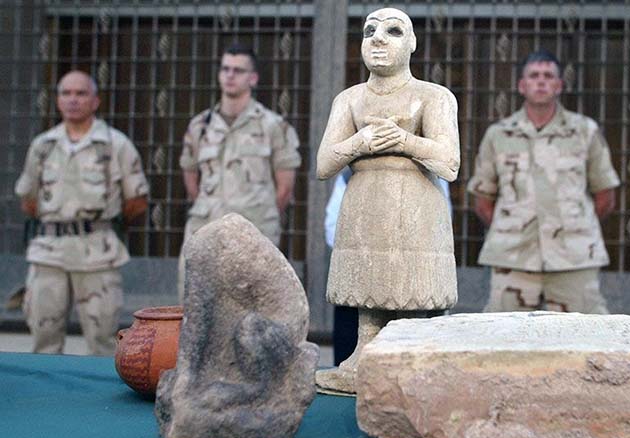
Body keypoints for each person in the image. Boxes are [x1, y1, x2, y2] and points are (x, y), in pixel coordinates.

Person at [315, 7, 460, 394]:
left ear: (412, 44)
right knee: (368, 285)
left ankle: (412, 357)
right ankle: (363, 356)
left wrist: (406, 141)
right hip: (364, 201)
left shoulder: (434, 97)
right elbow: (324, 164)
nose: (378, 38)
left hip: (415, 204)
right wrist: (359, 143)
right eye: (369, 31)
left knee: (410, 285)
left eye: (393, 31)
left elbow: (449, 163)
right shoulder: (349, 100)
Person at [467, 50, 620, 314]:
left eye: (548, 76)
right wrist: (515, 227)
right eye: (534, 76)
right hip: (513, 257)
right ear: (522, 85)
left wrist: (571, 227)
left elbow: (605, 196)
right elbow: (483, 201)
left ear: (559, 85)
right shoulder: (498, 134)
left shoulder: (584, 131)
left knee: (585, 337)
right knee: (501, 337)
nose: (541, 82)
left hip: (573, 258)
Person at [14, 70, 149, 355]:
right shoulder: (43, 146)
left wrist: (97, 224)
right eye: (66, 93)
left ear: (95, 100)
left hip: (97, 254)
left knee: (103, 342)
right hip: (49, 252)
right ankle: (47, 399)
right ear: (58, 100)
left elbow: (136, 201)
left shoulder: (116, 144)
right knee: (44, 340)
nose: (73, 100)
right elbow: (29, 200)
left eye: (81, 93)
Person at [178, 43, 301, 301]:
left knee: (251, 312)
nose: (230, 75)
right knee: (194, 309)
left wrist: (257, 215)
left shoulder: (274, 126)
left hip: (254, 234)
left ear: (253, 78)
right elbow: (191, 176)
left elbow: (285, 188)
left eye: (238, 70)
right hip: (204, 231)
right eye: (225, 69)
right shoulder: (200, 125)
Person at [324, 167, 453, 365]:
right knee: (355, 349)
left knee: (413, 356)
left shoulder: (432, 175)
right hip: (363, 277)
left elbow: (437, 229)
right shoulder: (354, 174)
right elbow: (333, 225)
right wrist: (372, 254)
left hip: (412, 278)